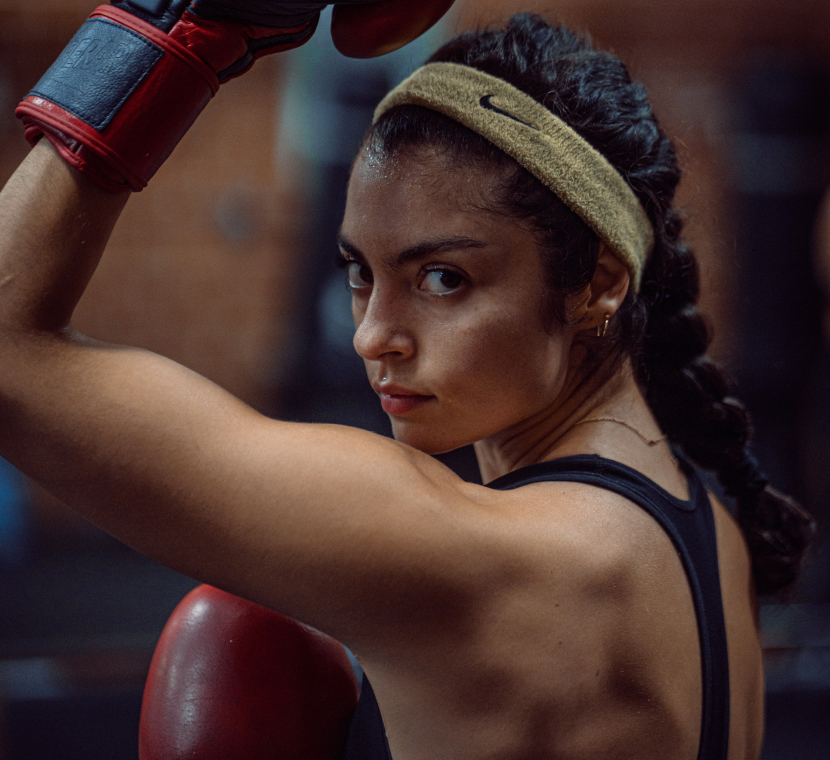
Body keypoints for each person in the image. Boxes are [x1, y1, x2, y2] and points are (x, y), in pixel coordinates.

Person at [0, 4, 817, 759]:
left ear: (598, 284)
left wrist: (179, 31)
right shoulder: (714, 536)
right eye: (361, 272)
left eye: (442, 279)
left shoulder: (479, 557)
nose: (371, 336)